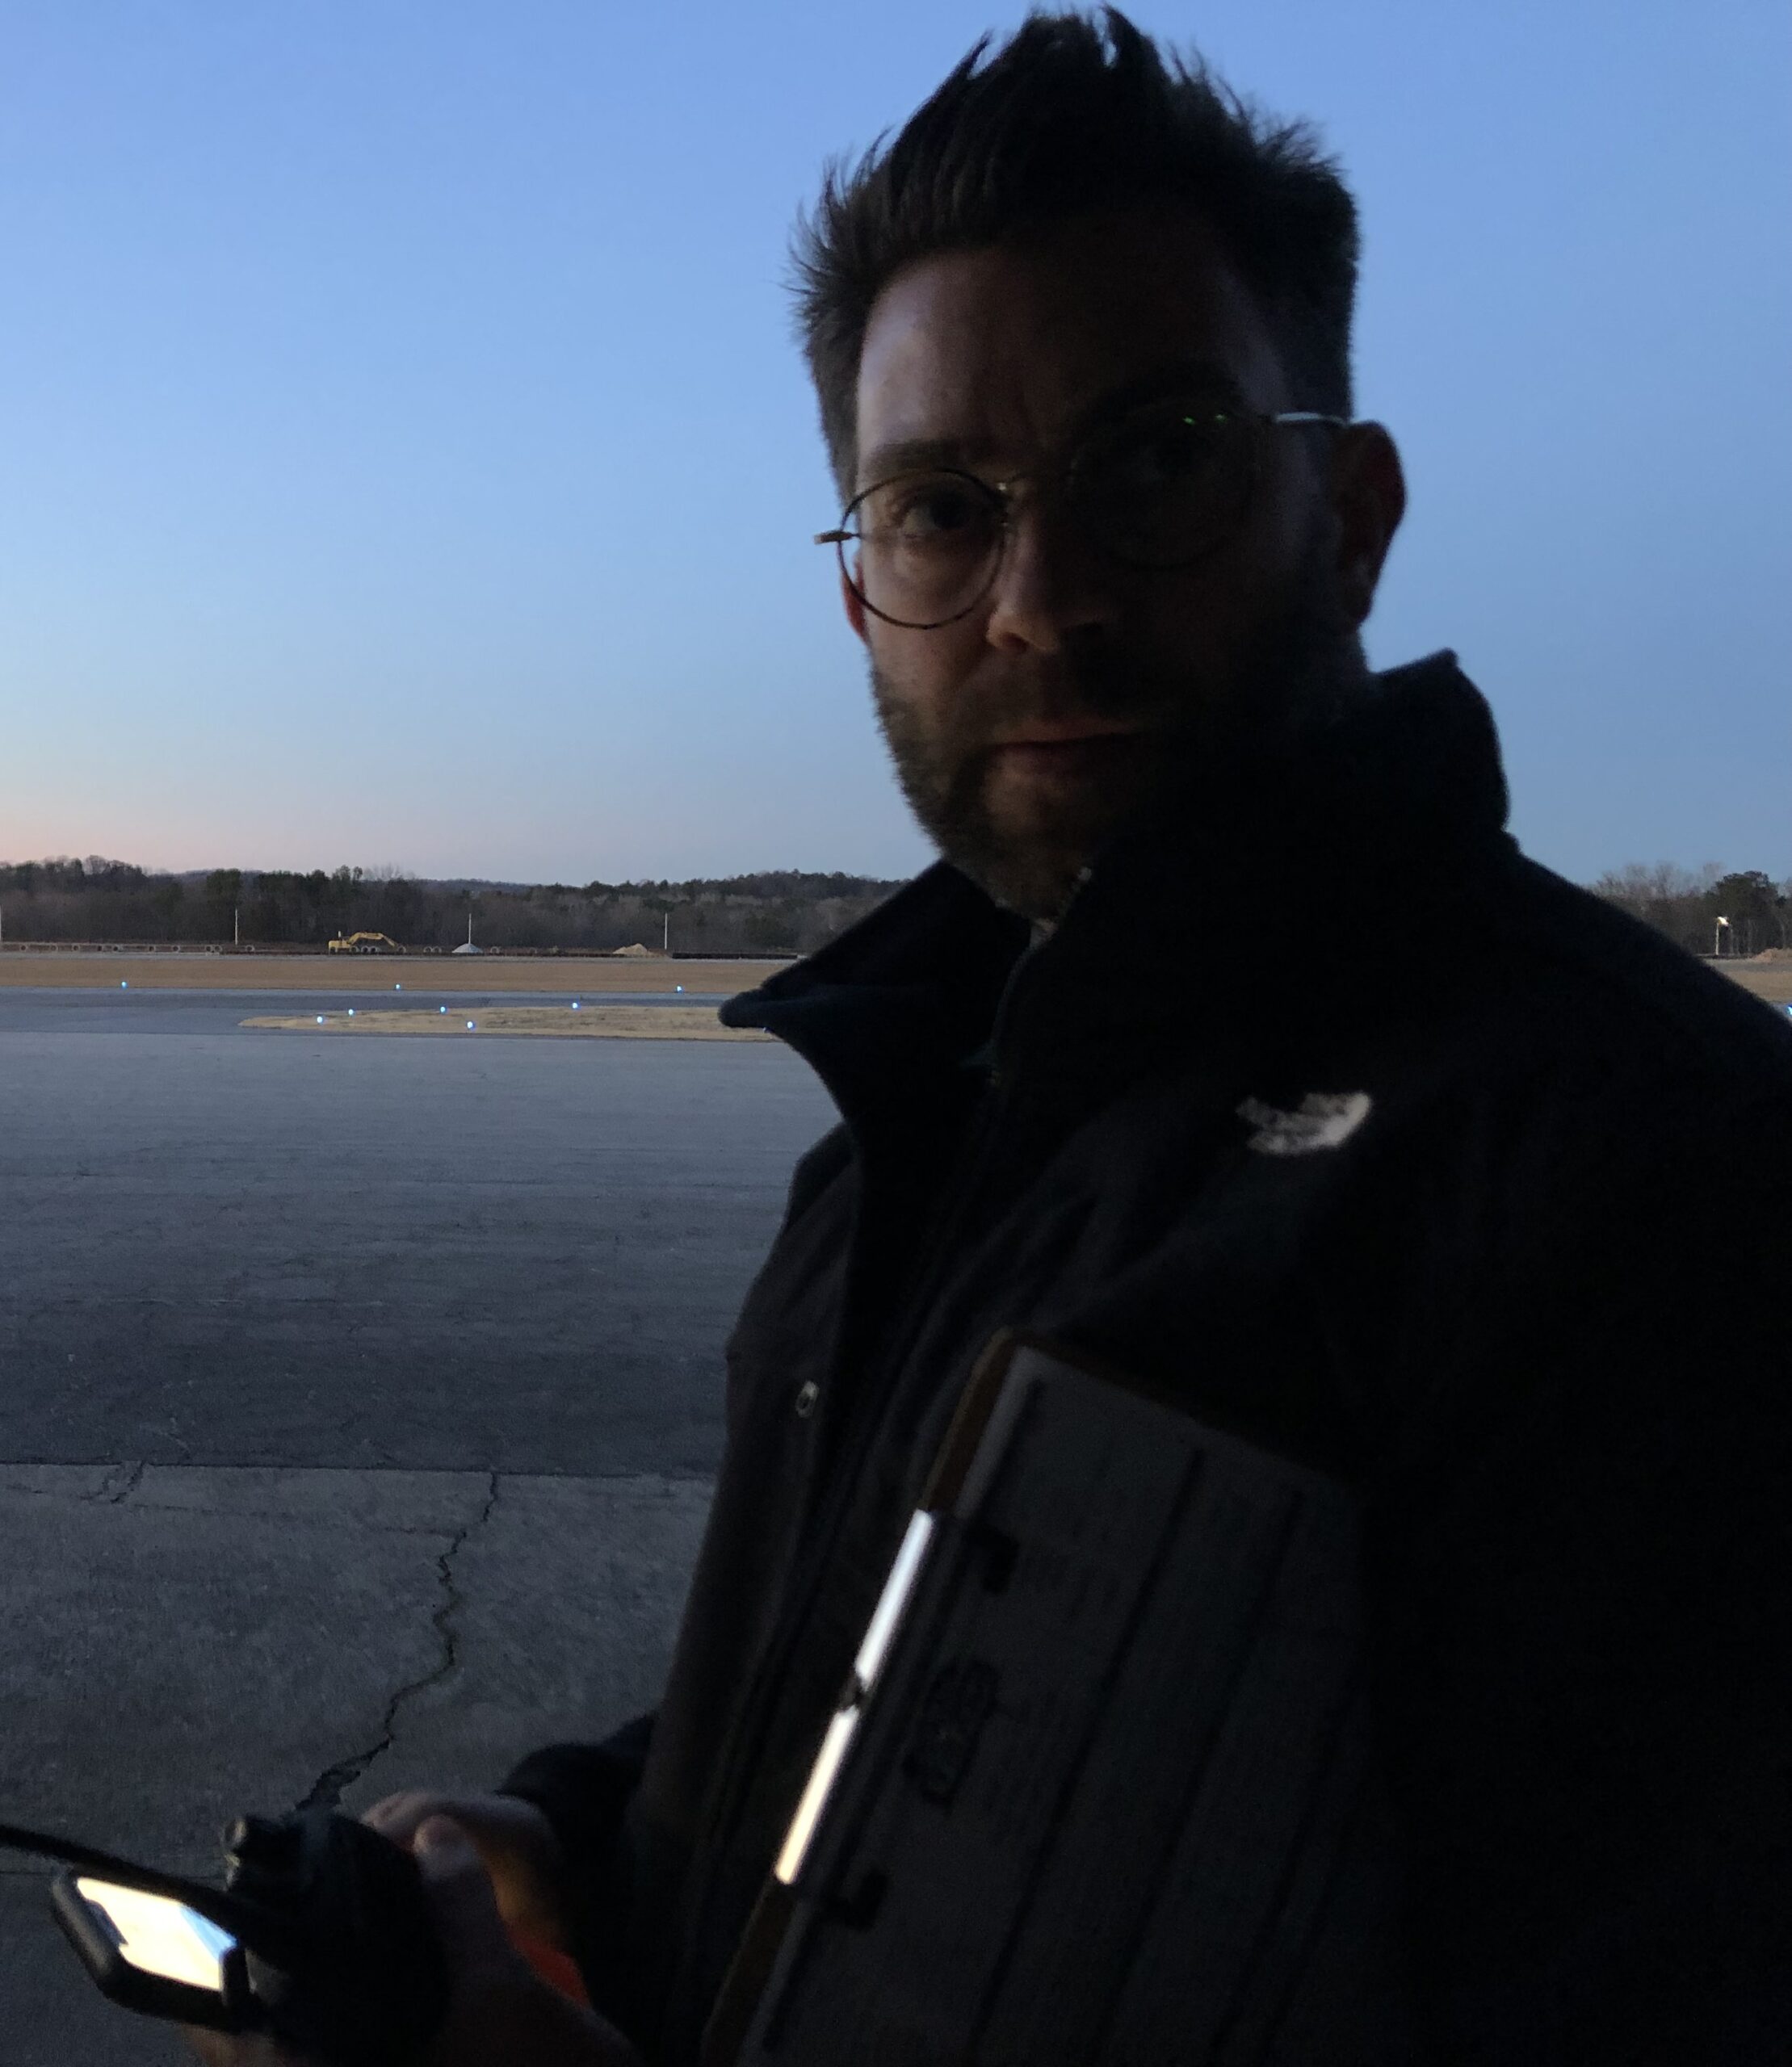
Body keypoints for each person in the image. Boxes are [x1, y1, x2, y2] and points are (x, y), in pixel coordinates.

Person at [190, 10, 1792, 2064]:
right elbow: (901, 1706)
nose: (1041, 596)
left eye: (1158, 460)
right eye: (944, 506)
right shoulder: (919, 1119)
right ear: (867, 593)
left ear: (1351, 509)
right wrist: (579, 1841)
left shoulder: (1645, 1171)